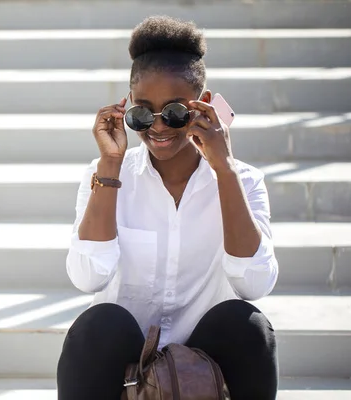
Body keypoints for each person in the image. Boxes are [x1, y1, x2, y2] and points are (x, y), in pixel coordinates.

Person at [57, 16, 279, 400]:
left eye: (174, 112)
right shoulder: (104, 175)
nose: (158, 127)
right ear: (126, 110)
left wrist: (223, 169)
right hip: (124, 358)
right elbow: (87, 277)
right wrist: (109, 167)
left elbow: (255, 283)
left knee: (248, 326)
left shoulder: (242, 179)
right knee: (96, 326)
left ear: (203, 104)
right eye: (142, 113)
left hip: (205, 362)